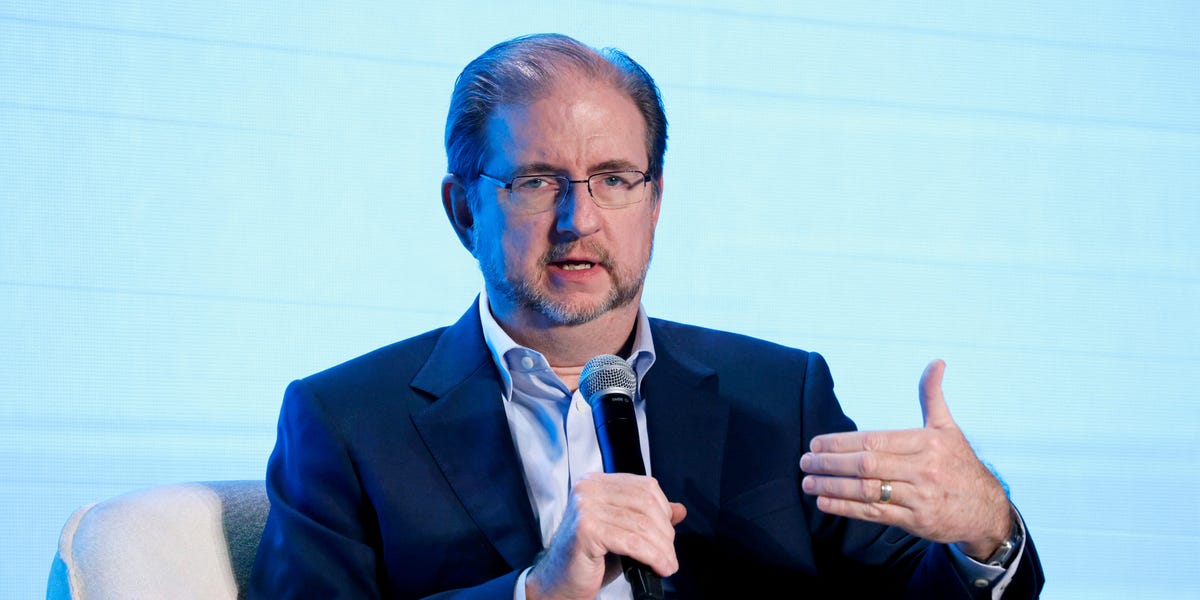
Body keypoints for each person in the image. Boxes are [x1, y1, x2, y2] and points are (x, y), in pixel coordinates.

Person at [249, 33, 1044, 599]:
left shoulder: (780, 396)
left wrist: (985, 530)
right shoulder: (346, 421)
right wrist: (537, 592)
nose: (579, 220)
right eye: (536, 181)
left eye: (614, 179)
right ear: (464, 210)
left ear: (655, 202)